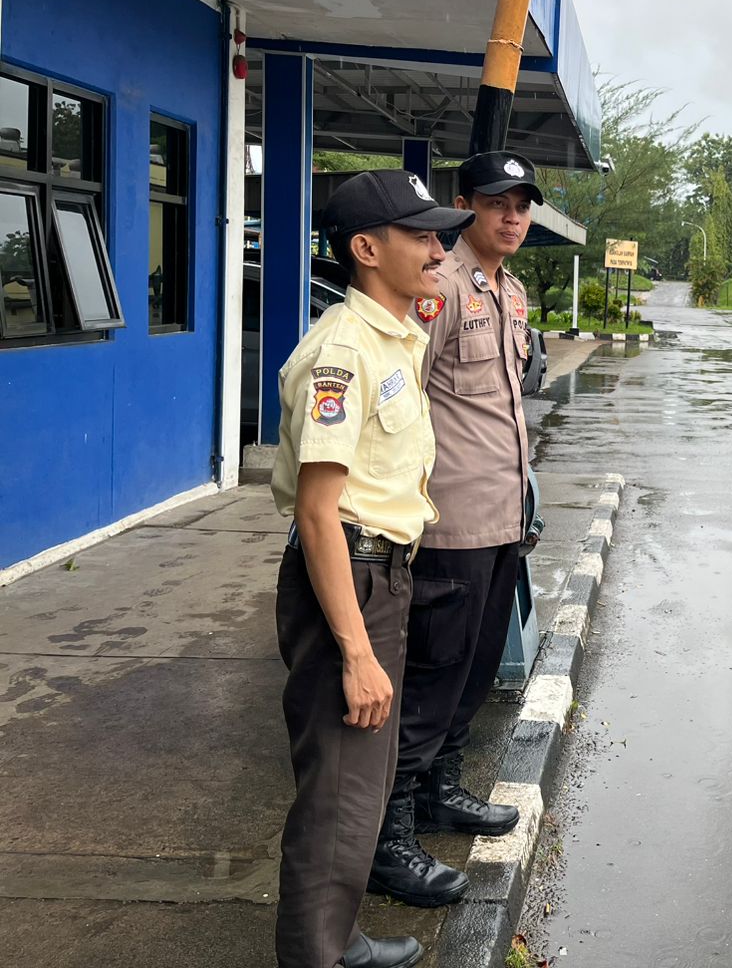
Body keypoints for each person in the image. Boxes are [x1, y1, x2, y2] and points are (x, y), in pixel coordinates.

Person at [271, 170, 474, 968]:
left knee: (362, 779)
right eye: (420, 236)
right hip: (347, 576)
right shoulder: (343, 352)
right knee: (339, 788)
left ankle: (338, 938)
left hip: (380, 573)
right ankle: (317, 956)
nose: (439, 250)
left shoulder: (393, 338)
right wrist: (355, 651)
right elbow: (318, 512)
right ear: (365, 248)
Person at [367, 150, 543, 906]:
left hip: (502, 517)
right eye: (498, 202)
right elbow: (401, 398)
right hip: (449, 523)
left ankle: (442, 790)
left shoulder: (512, 291)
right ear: (466, 204)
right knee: (432, 681)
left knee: (474, 671)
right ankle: (389, 837)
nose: (512, 217)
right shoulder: (436, 288)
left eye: (522, 206)